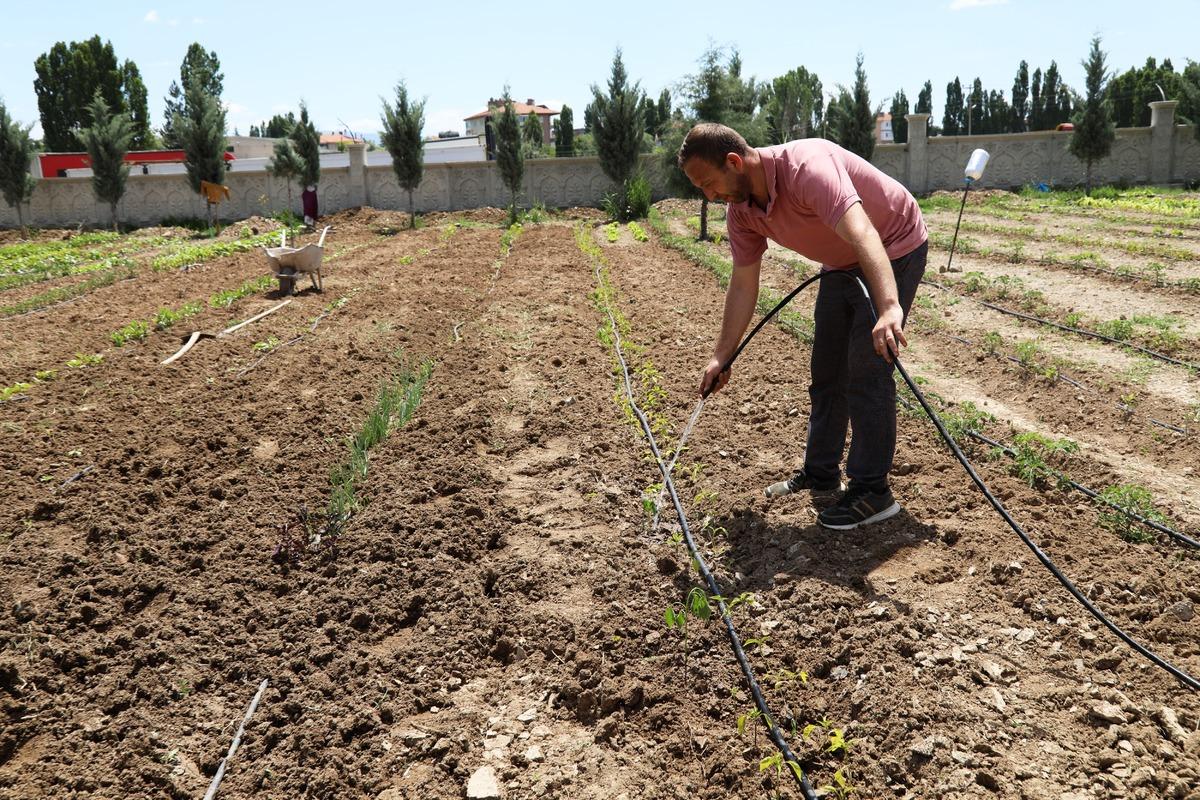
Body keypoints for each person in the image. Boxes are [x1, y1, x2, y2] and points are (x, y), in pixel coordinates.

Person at [679, 123, 927, 530]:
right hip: (840, 262)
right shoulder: (741, 212)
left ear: (734, 162)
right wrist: (721, 356)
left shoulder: (808, 168)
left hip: (893, 244)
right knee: (827, 369)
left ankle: (873, 490)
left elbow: (863, 232)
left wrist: (887, 307)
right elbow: (744, 282)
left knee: (867, 366)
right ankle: (822, 471)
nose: (709, 196)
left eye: (709, 183)